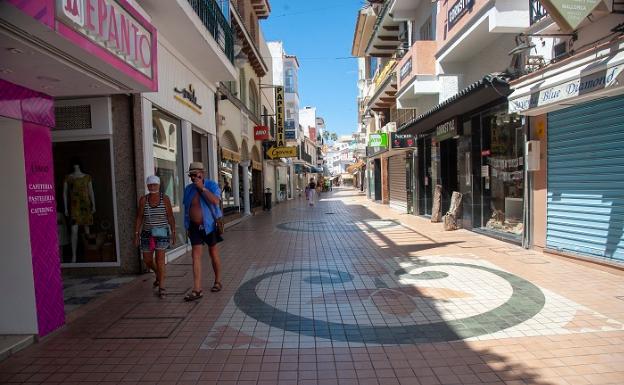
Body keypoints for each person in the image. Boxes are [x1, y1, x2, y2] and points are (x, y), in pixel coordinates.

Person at [183, 162, 223, 301]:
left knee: (213, 252)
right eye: (191, 175)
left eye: (196, 175)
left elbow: (215, 201)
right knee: (196, 256)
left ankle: (217, 281)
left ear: (202, 173)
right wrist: (187, 226)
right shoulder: (188, 189)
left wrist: (202, 188)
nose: (194, 178)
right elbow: (187, 210)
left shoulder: (211, 185)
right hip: (194, 227)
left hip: (210, 225)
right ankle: (197, 289)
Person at [134, 175, 175, 299]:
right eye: (150, 185)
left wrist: (173, 231)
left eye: (154, 184)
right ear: (147, 186)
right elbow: (140, 217)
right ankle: (158, 273)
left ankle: (162, 287)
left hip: (162, 232)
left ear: (158, 185)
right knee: (147, 259)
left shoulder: (165, 199)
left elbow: (170, 216)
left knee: (160, 259)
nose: (152, 187)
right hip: (147, 233)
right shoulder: (143, 200)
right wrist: (136, 234)